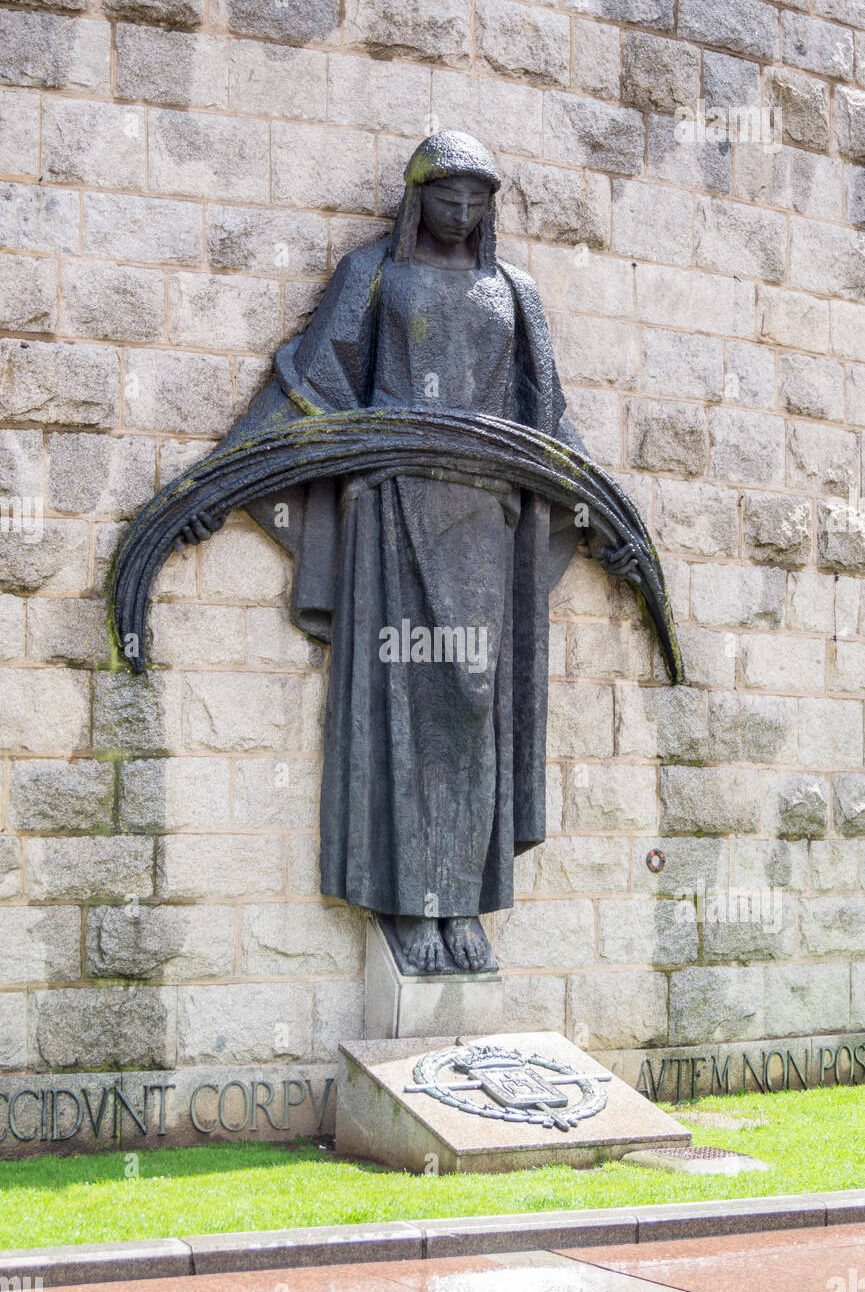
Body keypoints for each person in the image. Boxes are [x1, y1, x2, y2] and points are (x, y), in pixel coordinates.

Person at [175, 131, 637, 973]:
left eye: (476, 197)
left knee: (472, 705)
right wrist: (218, 481)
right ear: (415, 196)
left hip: (488, 525)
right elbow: (309, 391)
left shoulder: (513, 292)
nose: (461, 210)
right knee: (400, 707)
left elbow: (549, 420)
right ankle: (408, 902)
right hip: (391, 513)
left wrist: (611, 518)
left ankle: (463, 899)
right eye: (445, 193)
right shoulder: (373, 276)